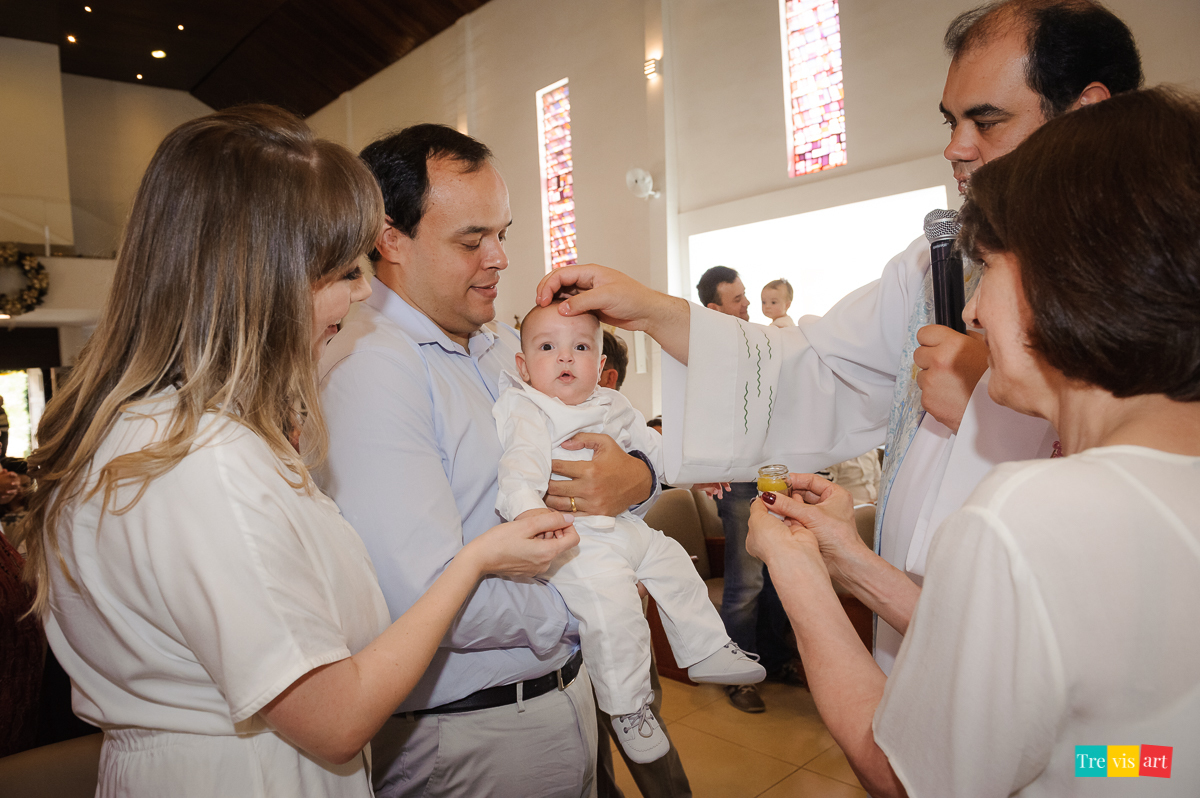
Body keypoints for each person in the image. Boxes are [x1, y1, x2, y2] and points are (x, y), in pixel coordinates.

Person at [534, 0, 1142, 673]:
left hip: (1077, 691)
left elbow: (1140, 499)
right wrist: (656, 312)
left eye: (986, 121)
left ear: (1083, 112)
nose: (956, 147)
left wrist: (987, 396)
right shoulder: (935, 262)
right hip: (920, 633)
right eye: (951, 121)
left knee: (1121, 776)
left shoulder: (1157, 277)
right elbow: (818, 369)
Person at [10, 106, 577, 798]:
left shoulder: (199, 434)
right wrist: (477, 562)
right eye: (341, 270)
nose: (363, 291)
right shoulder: (199, 459)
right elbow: (336, 716)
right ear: (255, 279)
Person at [747, 85, 1200, 797]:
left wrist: (798, 575)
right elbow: (1142, 752)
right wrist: (851, 560)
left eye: (990, 267)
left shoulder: (1030, 511)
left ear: (1068, 278)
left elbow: (903, 770)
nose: (971, 309)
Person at [316, 124, 657, 798]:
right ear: (390, 239)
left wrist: (636, 475)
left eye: (501, 232)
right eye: (472, 241)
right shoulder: (370, 368)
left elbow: (605, 426)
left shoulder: (502, 342)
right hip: (472, 735)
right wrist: (587, 605)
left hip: (560, 694)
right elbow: (422, 590)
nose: (499, 258)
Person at [494, 301, 764, 763]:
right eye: (547, 347)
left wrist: (695, 473)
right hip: (575, 541)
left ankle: (705, 649)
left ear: (600, 366)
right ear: (523, 366)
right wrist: (531, 522)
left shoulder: (613, 404)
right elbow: (519, 470)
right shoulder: (527, 407)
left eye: (579, 347)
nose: (564, 357)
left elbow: (652, 448)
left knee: (674, 562)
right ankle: (629, 710)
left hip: (622, 525)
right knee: (614, 612)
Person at [693, 266, 800, 713]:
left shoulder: (761, 341)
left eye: (745, 296)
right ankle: (739, 673)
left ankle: (775, 661)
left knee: (778, 576)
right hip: (738, 482)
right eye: (737, 299)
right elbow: (702, 415)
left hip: (775, 474)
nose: (748, 304)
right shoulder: (705, 354)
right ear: (714, 309)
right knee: (746, 582)